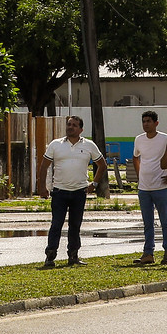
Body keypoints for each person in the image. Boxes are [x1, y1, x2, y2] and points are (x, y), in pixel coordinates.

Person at [38, 114, 106, 268]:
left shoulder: (89, 145)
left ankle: (73, 255)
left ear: (81, 129)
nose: (70, 127)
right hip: (59, 192)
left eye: (74, 125)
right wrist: (42, 187)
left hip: (79, 192)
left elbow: (102, 165)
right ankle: (50, 257)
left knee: (75, 225)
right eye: (69, 124)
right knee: (56, 224)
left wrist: (94, 184)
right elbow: (44, 166)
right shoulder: (56, 144)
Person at [132, 111, 167, 266]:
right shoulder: (139, 139)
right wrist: (140, 176)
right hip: (144, 188)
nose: (146, 124)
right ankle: (148, 253)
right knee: (147, 222)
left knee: (165, 220)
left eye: (149, 121)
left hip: (160, 187)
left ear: (156, 123)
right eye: (143, 121)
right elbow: (135, 157)